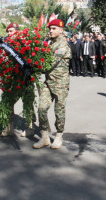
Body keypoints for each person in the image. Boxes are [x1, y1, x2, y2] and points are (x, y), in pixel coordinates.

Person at [34, 19, 71, 149]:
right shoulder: (51, 44)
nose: (51, 30)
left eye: (54, 28)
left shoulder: (62, 46)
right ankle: (44, 137)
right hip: (49, 82)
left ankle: (59, 136)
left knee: (58, 111)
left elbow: (48, 64)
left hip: (60, 84)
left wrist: (32, 64)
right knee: (42, 108)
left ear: (61, 30)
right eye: (50, 28)